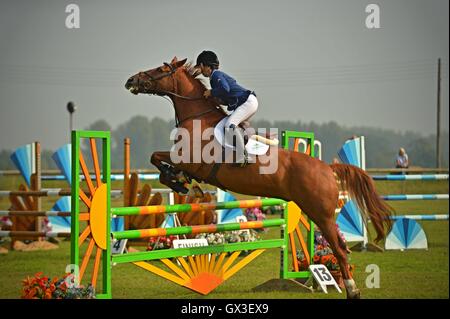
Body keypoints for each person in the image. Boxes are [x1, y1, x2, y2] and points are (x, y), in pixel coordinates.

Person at [195, 50, 258, 166]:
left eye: (200, 67)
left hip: (248, 102)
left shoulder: (216, 76)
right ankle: (244, 150)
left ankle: (243, 156)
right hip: (247, 102)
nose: (200, 70)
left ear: (204, 65)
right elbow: (226, 96)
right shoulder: (214, 77)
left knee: (229, 125)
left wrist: (211, 92)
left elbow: (225, 88)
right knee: (234, 125)